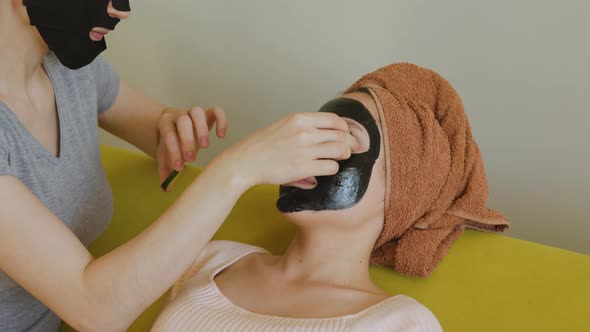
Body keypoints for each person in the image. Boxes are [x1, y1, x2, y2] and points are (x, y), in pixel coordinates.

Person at [0, 1, 357, 331]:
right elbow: (95, 309)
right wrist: (238, 169)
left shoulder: (70, 71)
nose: (121, 10)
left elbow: (157, 129)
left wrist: (173, 125)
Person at [152, 91, 444, 332]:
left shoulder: (400, 323)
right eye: (313, 133)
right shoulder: (210, 259)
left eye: (343, 138)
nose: (305, 152)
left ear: (402, 192)